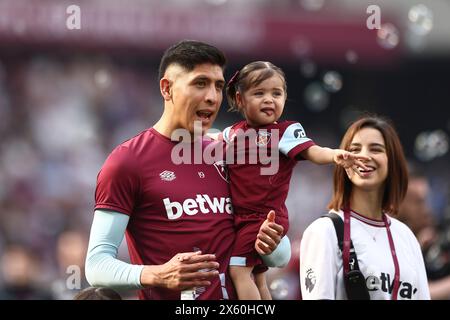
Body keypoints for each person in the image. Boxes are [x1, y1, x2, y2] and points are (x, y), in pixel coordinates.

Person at [85, 40, 288, 300]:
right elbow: (97, 266)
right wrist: (159, 275)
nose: (212, 97)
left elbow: (279, 257)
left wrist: (269, 244)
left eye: (218, 86)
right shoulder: (127, 162)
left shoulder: (232, 155)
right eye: (200, 83)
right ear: (167, 88)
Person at [222, 61, 370, 300]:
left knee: (238, 270)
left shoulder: (285, 133)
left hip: (264, 219)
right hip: (242, 219)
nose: (269, 99)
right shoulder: (232, 133)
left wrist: (334, 155)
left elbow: (313, 151)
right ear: (240, 100)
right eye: (259, 93)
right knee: (258, 277)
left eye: (276, 93)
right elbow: (207, 143)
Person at [299, 115, 431, 300]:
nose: (364, 156)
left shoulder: (407, 237)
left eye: (376, 149)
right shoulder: (324, 232)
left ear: (392, 161)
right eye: (354, 149)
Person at [398, 164, 450, 300]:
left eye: (428, 199)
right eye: (418, 202)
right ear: (396, 202)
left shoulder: (431, 233)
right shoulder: (387, 239)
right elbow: (411, 292)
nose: (427, 209)